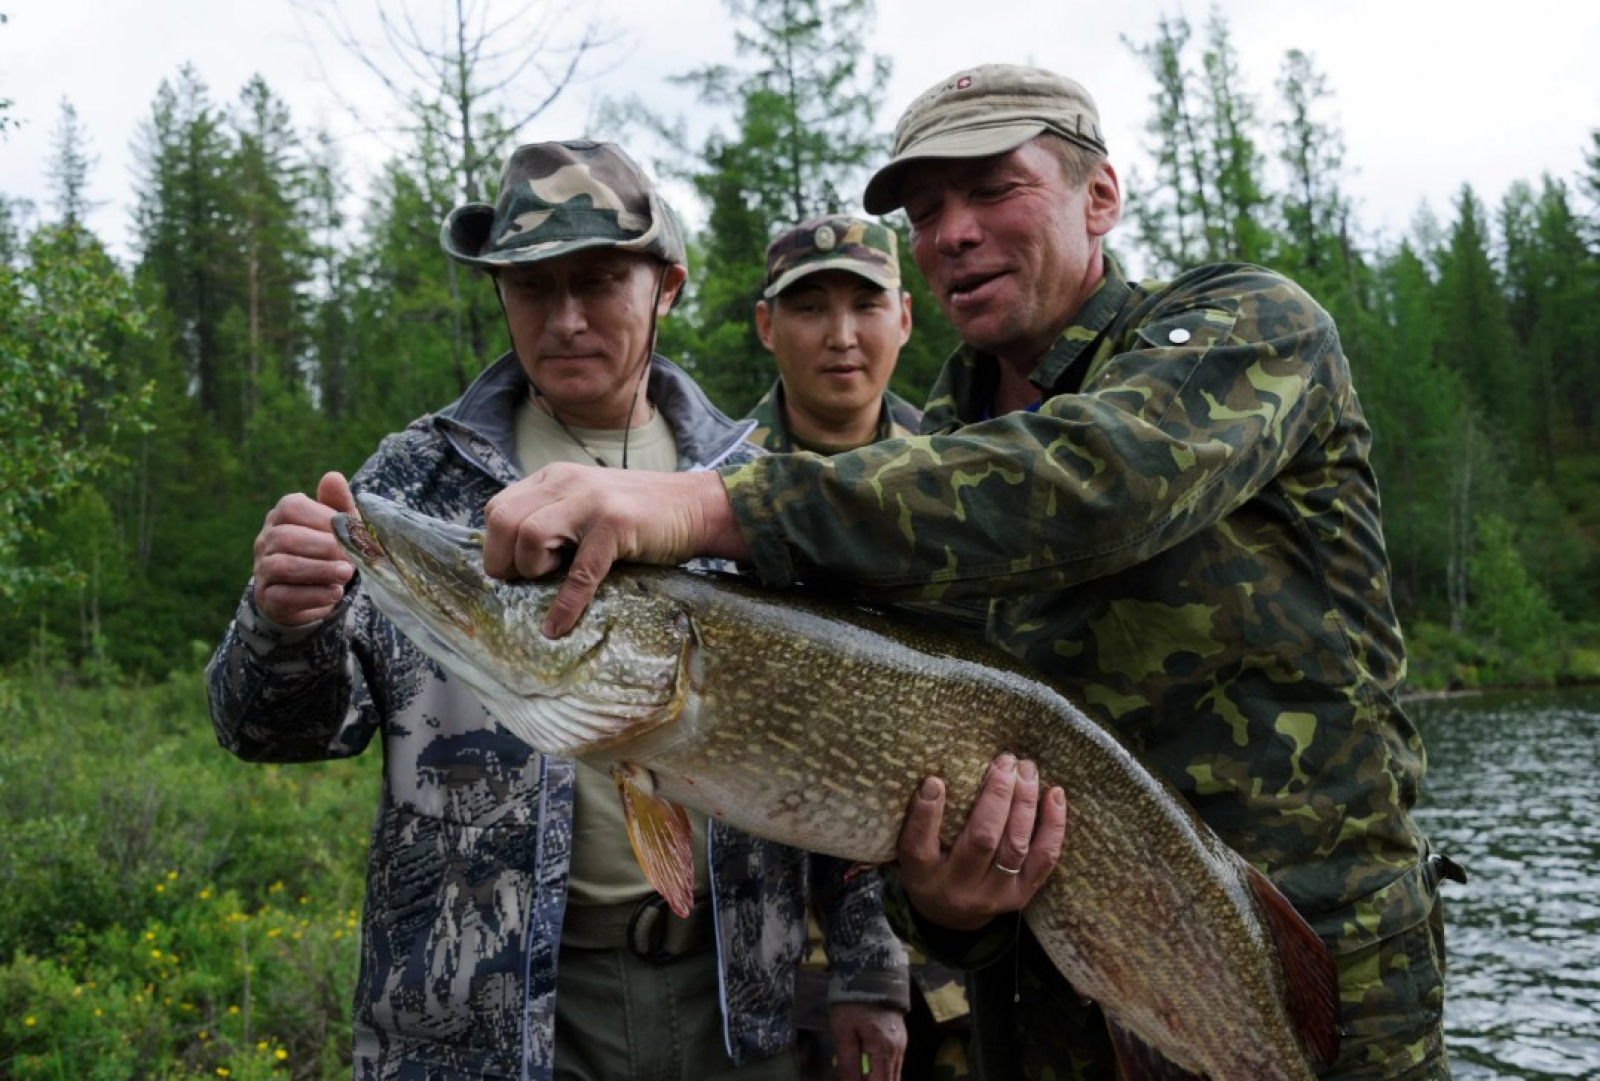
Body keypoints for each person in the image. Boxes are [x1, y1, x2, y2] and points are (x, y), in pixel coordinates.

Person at [477, 65, 1466, 1081]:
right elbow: (905, 803)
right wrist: (943, 904)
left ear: (1100, 195)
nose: (952, 231)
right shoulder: (920, 462)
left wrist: (704, 502)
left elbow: (1093, 480)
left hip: (1305, 983)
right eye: (925, 209)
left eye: (993, 189)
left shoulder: (1249, 329)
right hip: (1047, 1024)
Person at [206, 139, 910, 1081]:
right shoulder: (421, 479)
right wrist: (283, 624)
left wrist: (869, 965)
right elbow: (272, 728)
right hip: (490, 1021)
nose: (566, 318)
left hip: (739, 1007)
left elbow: (842, 754)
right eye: (533, 286)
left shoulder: (753, 489)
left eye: (599, 280)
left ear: (666, 285)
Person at [744, 216, 973, 1081]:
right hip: (778, 964)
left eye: (865, 305)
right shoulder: (703, 492)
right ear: (768, 327)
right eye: (810, 307)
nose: (842, 336)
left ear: (906, 319)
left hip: (953, 941)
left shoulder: (966, 489)